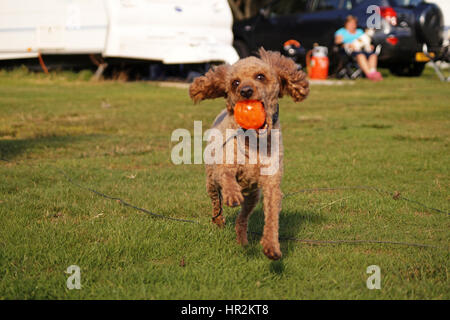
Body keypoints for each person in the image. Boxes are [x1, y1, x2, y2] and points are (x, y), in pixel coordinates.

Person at [335, 15, 382, 81]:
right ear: (346, 24)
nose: (352, 25)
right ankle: (369, 74)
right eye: (350, 23)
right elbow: (338, 43)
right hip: (351, 51)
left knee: (373, 55)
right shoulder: (341, 32)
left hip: (363, 49)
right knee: (360, 55)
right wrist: (348, 45)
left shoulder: (360, 31)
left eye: (354, 23)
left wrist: (369, 45)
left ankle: (373, 72)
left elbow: (366, 40)